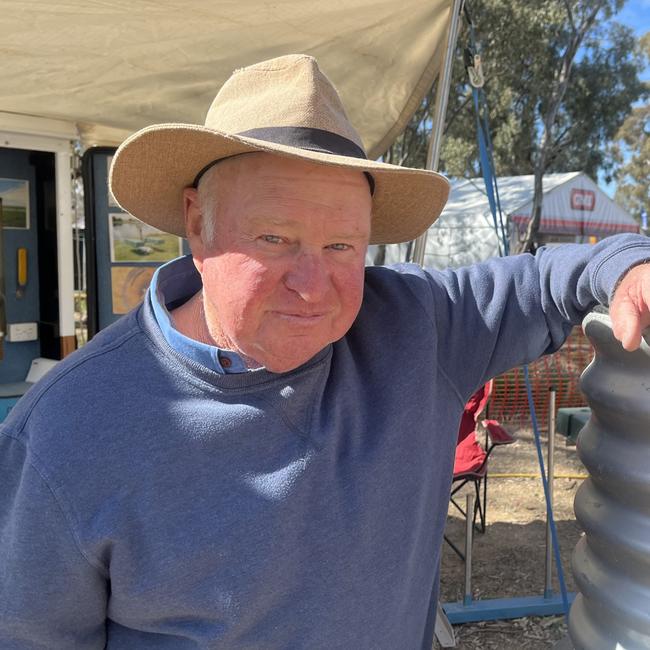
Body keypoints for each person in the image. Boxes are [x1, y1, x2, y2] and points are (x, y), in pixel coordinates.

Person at [1, 54, 649, 650]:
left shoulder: (417, 326)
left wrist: (630, 265)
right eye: (276, 238)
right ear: (196, 223)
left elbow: (548, 279)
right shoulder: (66, 434)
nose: (313, 287)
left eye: (343, 246)